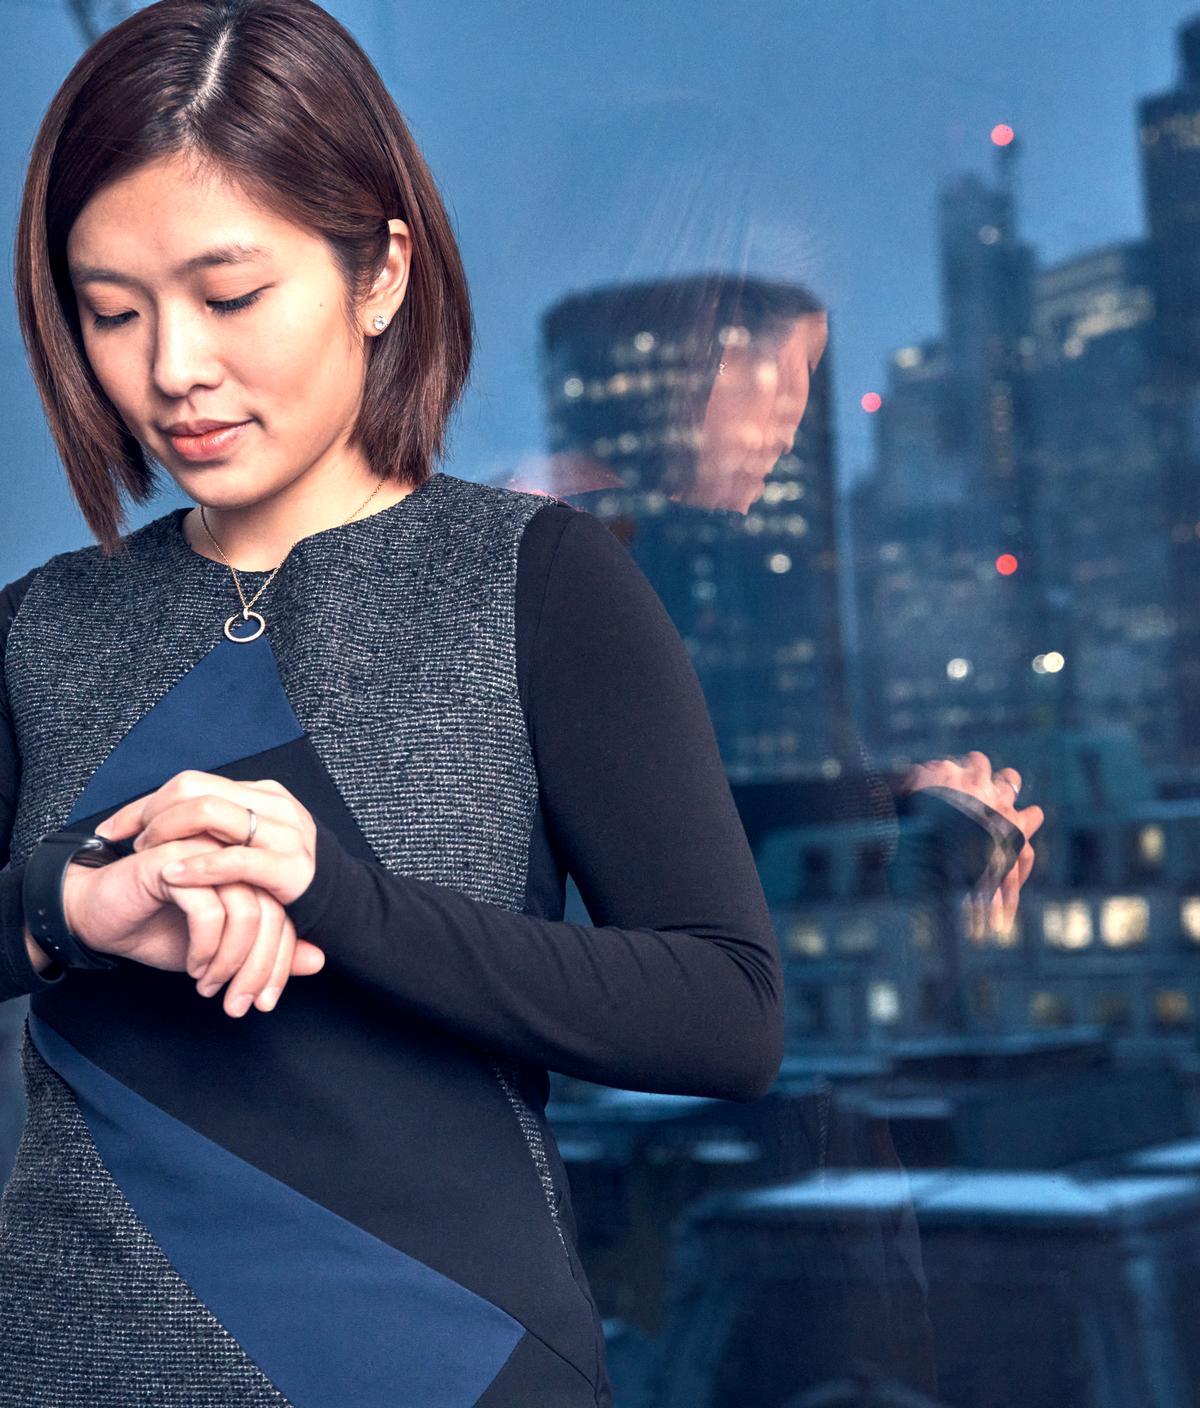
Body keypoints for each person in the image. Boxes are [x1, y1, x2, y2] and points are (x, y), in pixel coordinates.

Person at [0, 2, 787, 1403]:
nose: (171, 367)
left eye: (228, 296)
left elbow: (726, 1012)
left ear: (379, 272)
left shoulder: (536, 581)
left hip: (455, 1370)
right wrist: (73, 912)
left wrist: (335, 898)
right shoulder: (44, 625)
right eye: (111, 311)